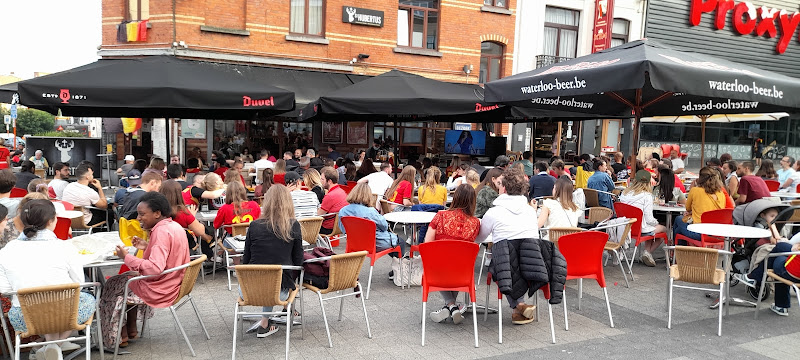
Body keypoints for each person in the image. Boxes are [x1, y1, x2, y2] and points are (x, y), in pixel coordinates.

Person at [0, 200, 89, 360]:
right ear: (51, 220)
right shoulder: (65, 247)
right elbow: (79, 283)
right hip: (66, 313)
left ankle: (48, 347)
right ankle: (56, 345)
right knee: (85, 299)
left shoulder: (7, 251)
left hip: (25, 318)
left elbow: (5, 290)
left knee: (47, 306)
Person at [102, 192, 190, 348]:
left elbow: (155, 268)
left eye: (142, 214)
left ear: (157, 213)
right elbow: (168, 254)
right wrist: (147, 246)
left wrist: (126, 257)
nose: (138, 218)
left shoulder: (160, 232)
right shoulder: (173, 226)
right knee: (123, 280)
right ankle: (131, 329)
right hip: (174, 282)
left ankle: (117, 336)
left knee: (113, 285)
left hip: (161, 289)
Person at [476, 167, 539, 325]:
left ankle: (519, 305)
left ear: (503, 188)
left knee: (499, 267)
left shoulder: (494, 212)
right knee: (510, 264)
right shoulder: (530, 211)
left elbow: (480, 237)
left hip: (506, 263)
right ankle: (519, 309)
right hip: (532, 262)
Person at [242, 185, 304, 336]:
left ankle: (265, 322)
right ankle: (269, 320)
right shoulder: (292, 225)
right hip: (279, 292)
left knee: (267, 273)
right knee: (277, 277)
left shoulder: (254, 226)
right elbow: (298, 261)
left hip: (248, 290)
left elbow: (245, 260)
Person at [424, 184, 481, 323]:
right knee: (457, 265)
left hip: (439, 271)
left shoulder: (441, 216)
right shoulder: (475, 223)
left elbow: (427, 244)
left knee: (441, 264)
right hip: (462, 273)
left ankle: (450, 305)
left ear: (455, 197)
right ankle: (452, 306)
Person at [339, 183, 406, 275]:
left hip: (355, 244)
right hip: (375, 244)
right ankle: (398, 271)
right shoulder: (370, 212)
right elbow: (384, 227)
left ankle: (397, 268)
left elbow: (343, 229)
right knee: (400, 242)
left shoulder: (343, 211)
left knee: (394, 243)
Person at [736, 241, 800, 316]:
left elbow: (794, 245)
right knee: (780, 247)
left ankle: (754, 277)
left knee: (777, 257)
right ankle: (781, 305)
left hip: (793, 273)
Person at [620, 170, 668, 266]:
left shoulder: (624, 193)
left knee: (651, 228)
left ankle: (647, 253)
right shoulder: (647, 196)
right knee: (663, 229)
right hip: (639, 228)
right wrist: (657, 222)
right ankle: (647, 252)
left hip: (625, 226)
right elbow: (649, 219)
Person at [674, 167, 733, 243]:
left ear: (700, 178)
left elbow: (687, 208)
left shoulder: (695, 190)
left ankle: (676, 251)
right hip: (718, 233)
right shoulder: (721, 192)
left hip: (699, 232)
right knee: (679, 230)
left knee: (678, 219)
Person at [160, 180, 213, 259]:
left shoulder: (157, 212)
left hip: (162, 250)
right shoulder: (183, 213)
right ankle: (211, 254)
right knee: (208, 231)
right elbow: (200, 231)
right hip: (183, 251)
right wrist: (193, 217)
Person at [317, 167, 348, 234]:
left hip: (327, 228)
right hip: (340, 226)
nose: (320, 181)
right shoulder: (342, 192)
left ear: (329, 181)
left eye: (322, 179)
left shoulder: (330, 196)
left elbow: (318, 214)